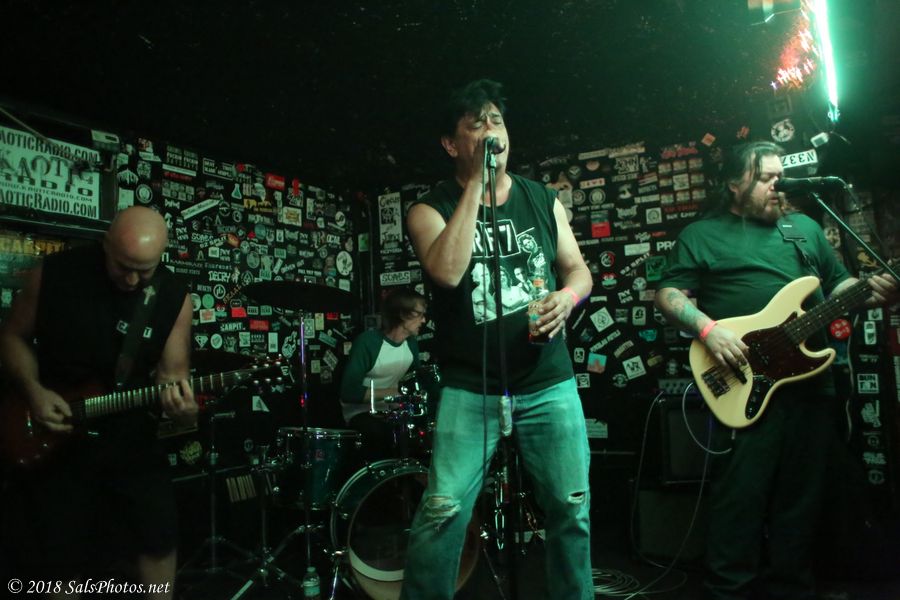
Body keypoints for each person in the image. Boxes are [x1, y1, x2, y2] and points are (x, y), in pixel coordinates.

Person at [654, 141, 898, 600]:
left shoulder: (803, 229)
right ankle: (730, 589)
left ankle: (791, 588)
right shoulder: (702, 235)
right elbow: (668, 295)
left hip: (810, 385)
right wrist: (708, 330)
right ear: (734, 183)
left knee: (800, 499)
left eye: (779, 177)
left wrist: (869, 292)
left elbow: (838, 285)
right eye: (765, 178)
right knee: (739, 498)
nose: (776, 186)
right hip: (743, 380)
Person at [400, 79, 594, 599]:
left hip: (547, 381)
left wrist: (567, 298)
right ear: (451, 143)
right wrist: (476, 186)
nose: (492, 131)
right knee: (442, 512)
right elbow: (446, 272)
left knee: (571, 507)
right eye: (477, 124)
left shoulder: (543, 199)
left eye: (497, 121)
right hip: (470, 387)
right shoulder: (428, 209)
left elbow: (578, 270)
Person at [0, 206, 197, 599]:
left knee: (158, 536)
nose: (132, 279)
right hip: (57, 427)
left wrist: (182, 407)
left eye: (145, 270)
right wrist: (34, 390)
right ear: (105, 244)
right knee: (60, 551)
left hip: (131, 434)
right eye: (123, 266)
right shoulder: (55, 274)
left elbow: (172, 376)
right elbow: (12, 337)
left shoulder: (175, 296)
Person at [340, 287, 428, 460]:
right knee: (381, 434)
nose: (424, 320)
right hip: (361, 413)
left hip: (391, 411)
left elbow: (414, 381)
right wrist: (395, 393)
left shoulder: (411, 343)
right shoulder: (368, 342)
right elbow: (349, 392)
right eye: (420, 314)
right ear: (403, 314)